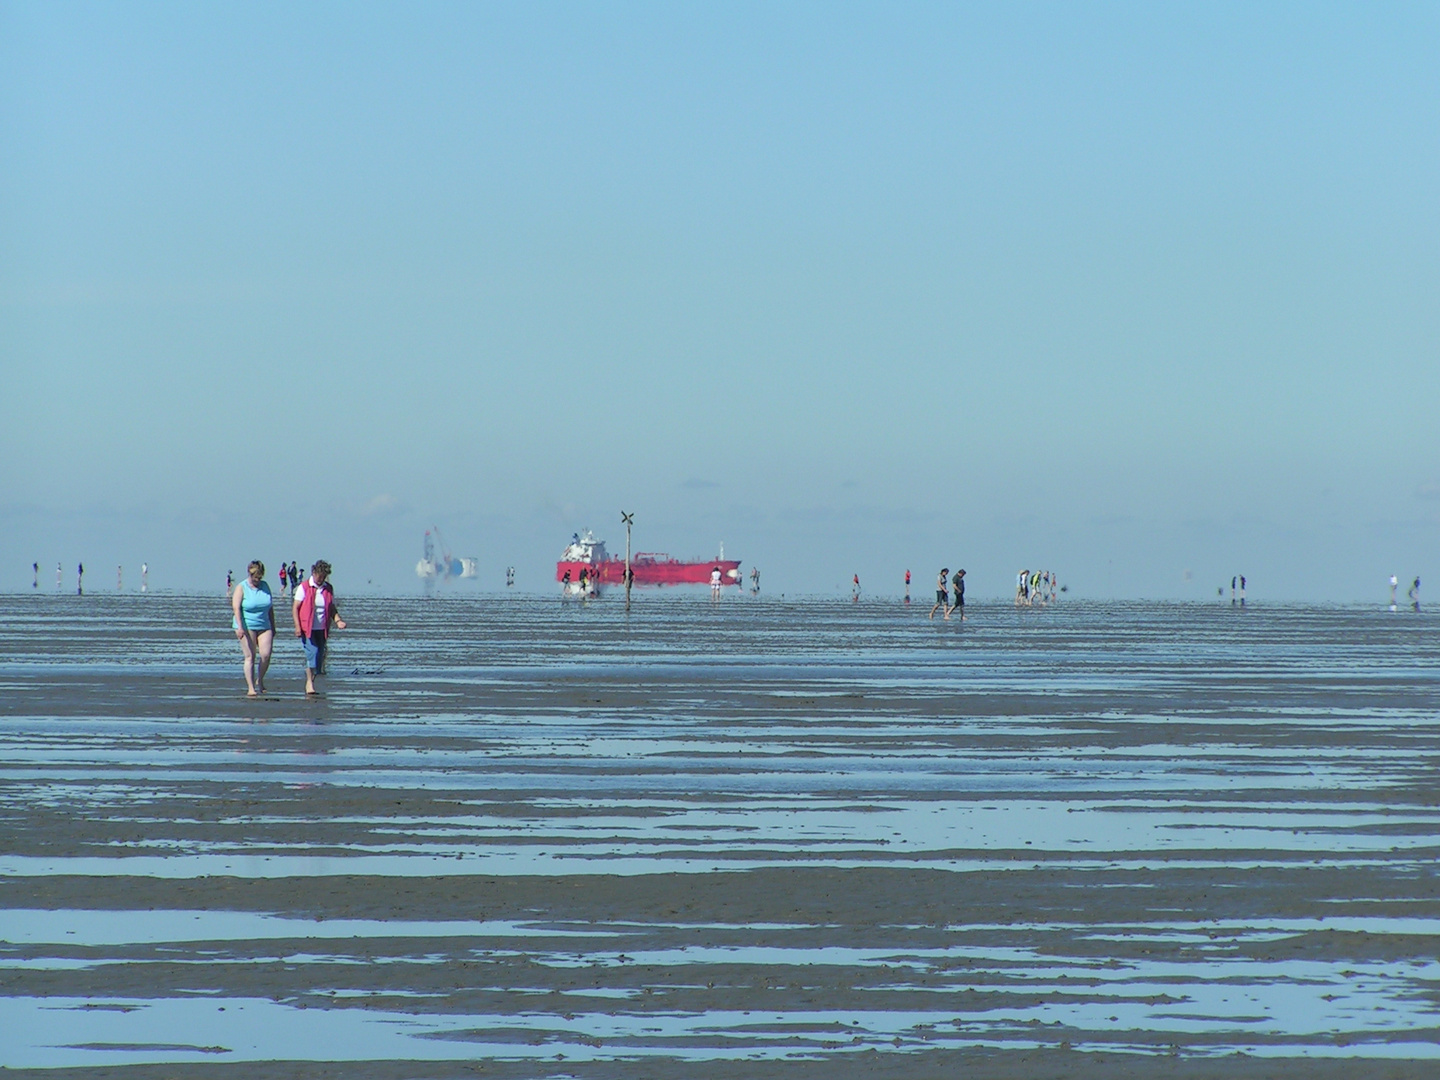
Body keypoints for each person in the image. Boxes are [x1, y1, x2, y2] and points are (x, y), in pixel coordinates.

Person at [293, 560, 346, 695]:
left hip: (322, 628)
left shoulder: (328, 588)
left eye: (323, 576)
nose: (321, 579)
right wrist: (297, 627)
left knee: (319, 656)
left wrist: (338, 620)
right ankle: (309, 683)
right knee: (313, 652)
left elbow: (332, 608)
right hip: (307, 628)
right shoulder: (304, 587)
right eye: (319, 576)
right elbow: (295, 608)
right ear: (314, 573)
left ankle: (312, 679)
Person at [231, 560, 275, 696]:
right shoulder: (241, 587)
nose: (257, 580)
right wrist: (240, 627)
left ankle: (260, 680)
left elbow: (270, 607)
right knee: (250, 656)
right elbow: (236, 608)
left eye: (260, 577)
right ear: (250, 574)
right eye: (255, 577)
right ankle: (251, 688)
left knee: (266, 655)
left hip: (264, 624)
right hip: (247, 624)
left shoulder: (265, 586)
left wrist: (273, 626)